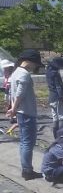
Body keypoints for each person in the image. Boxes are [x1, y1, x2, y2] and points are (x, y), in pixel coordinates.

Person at [7, 49, 43, 180]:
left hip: (22, 113)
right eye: (35, 64)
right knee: (28, 142)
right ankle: (27, 170)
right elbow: (20, 94)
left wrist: (13, 109)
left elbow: (12, 93)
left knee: (24, 142)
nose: (35, 67)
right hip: (27, 112)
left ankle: (26, 169)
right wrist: (14, 109)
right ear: (28, 61)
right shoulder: (24, 74)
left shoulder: (15, 72)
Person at [46, 56, 63, 139]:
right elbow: (58, 87)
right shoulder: (55, 74)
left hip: (51, 97)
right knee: (62, 117)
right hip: (57, 97)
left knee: (55, 118)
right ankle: (61, 137)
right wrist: (62, 98)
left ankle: (55, 137)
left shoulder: (48, 72)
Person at [1, 59, 16, 135]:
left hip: (11, 91)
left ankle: (12, 117)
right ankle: (11, 116)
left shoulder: (12, 74)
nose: (4, 70)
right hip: (7, 90)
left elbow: (10, 84)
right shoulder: (6, 74)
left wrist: (7, 85)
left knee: (11, 103)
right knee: (9, 103)